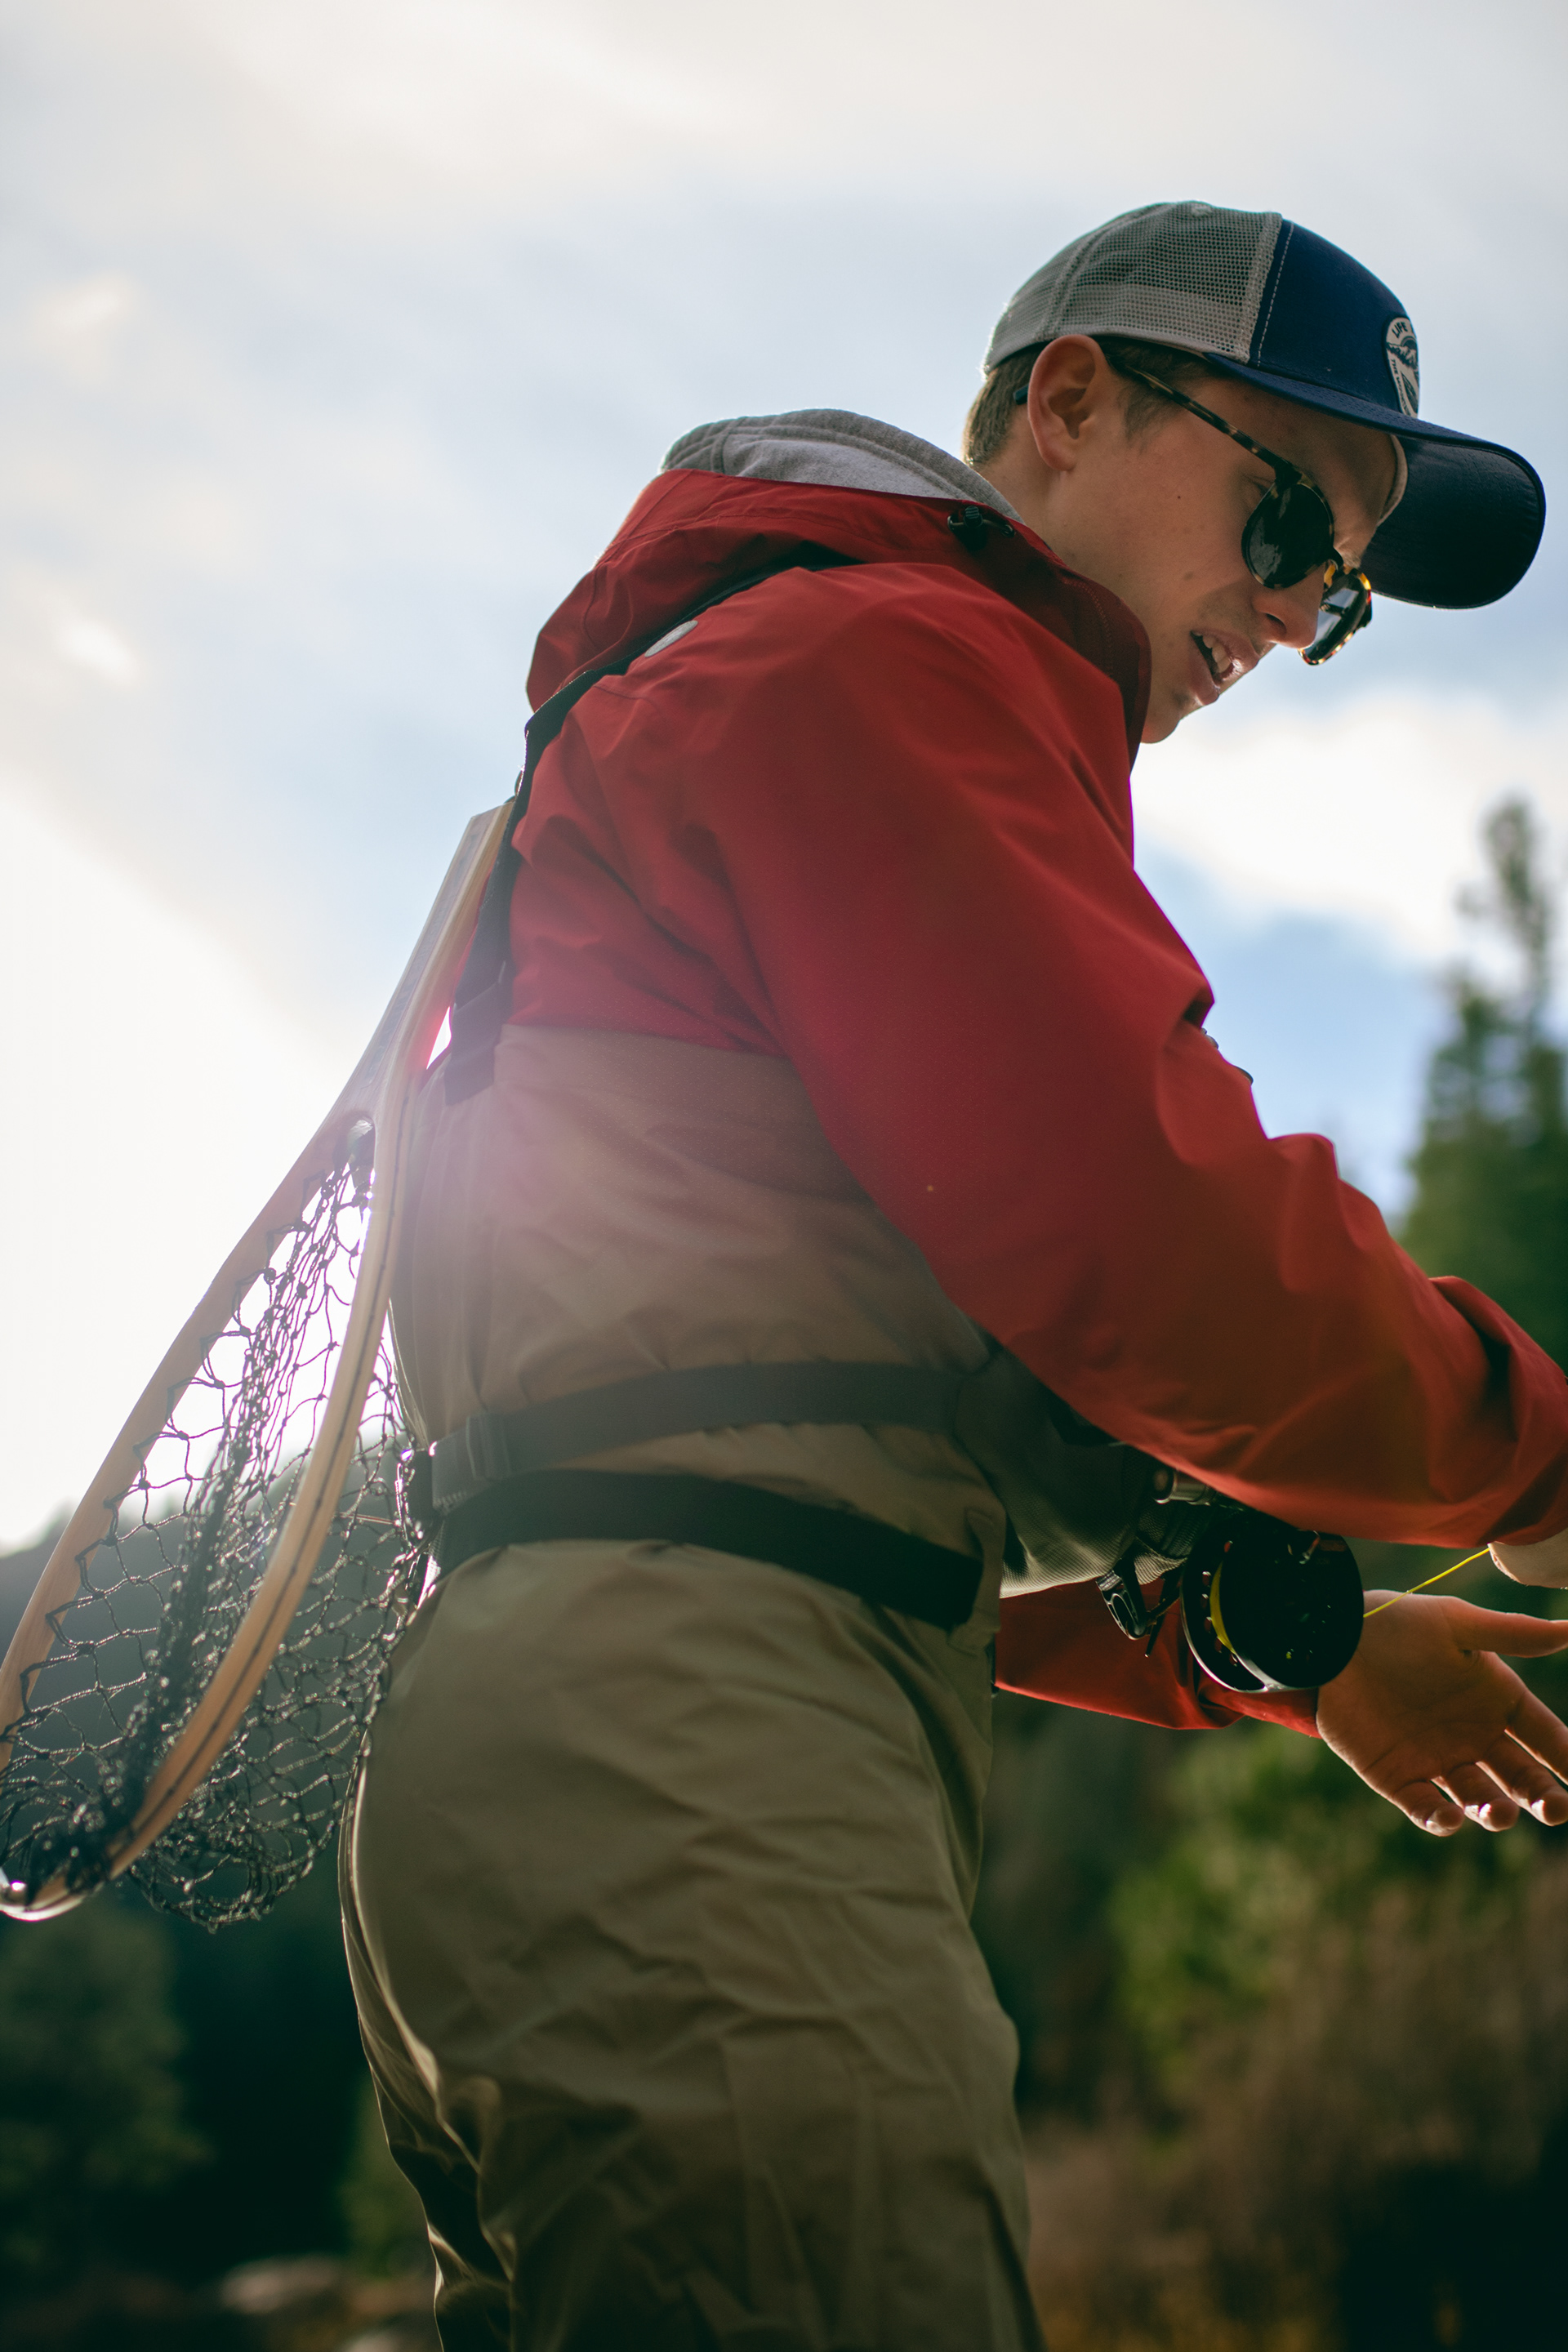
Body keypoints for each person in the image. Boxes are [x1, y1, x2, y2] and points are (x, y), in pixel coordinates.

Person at [339, 201, 1568, 2349]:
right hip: (700, 1780)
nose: (1288, 618)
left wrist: (1306, 1646)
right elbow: (1155, 1252)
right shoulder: (883, 661)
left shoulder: (824, 678)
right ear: (1068, 402)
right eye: (1283, 516)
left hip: (634, 1747)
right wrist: (1536, 1468)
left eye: (1337, 588)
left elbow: (887, 1444)